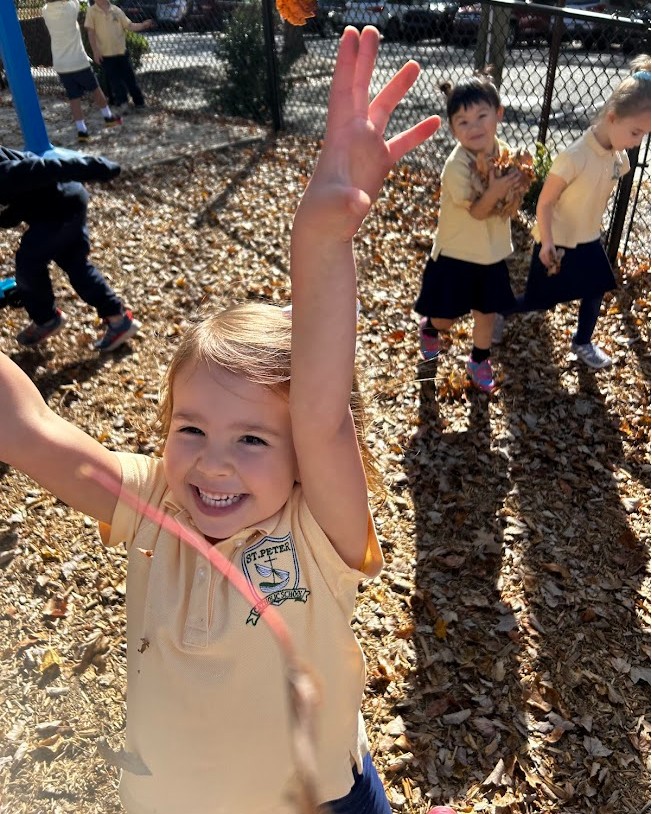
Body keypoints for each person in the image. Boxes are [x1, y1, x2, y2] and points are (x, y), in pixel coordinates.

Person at [0, 26, 441, 814]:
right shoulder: (152, 506)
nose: (212, 462)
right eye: (191, 428)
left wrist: (323, 235)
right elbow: (30, 431)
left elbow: (321, 415)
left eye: (252, 438)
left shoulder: (318, 533)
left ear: (303, 458)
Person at [493, 56, 651, 369]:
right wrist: (548, 243)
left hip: (588, 238)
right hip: (559, 240)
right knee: (540, 300)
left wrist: (620, 159)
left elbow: (611, 173)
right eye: (636, 133)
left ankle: (582, 341)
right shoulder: (574, 157)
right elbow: (545, 203)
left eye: (644, 134)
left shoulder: (613, 154)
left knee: (596, 288)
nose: (639, 141)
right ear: (612, 117)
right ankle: (499, 310)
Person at [413, 71, 527, 393]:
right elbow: (478, 211)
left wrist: (515, 190)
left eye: (481, 116)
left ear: (498, 114)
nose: (474, 126)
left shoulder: (503, 152)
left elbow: (508, 204)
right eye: (463, 122)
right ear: (452, 129)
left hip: (490, 255)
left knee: (486, 316)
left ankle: (479, 360)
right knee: (447, 318)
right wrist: (498, 188)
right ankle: (431, 328)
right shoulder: (457, 167)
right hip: (456, 255)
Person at [0, 145, 141, 351]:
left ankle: (47, 319)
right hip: (67, 200)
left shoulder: (5, 174)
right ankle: (119, 320)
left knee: (28, 263)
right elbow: (14, 205)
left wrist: (95, 166)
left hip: (58, 208)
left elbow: (46, 167)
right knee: (76, 265)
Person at [42, 0, 122, 142]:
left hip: (61, 64)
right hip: (78, 61)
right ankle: (108, 117)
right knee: (95, 89)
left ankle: (82, 131)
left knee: (74, 97)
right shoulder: (71, 7)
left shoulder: (46, 11)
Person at [84, 0, 154, 115]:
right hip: (106, 55)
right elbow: (91, 33)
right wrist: (95, 51)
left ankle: (139, 103)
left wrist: (142, 25)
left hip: (121, 53)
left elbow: (129, 25)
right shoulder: (91, 12)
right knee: (115, 81)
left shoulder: (116, 10)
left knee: (130, 79)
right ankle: (123, 103)